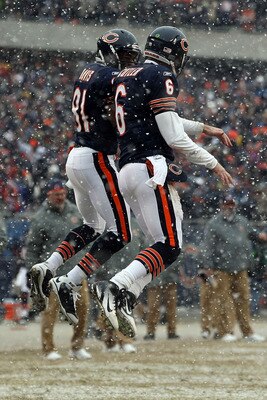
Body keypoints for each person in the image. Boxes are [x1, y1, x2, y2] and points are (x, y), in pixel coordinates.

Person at [88, 25, 234, 336]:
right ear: (172, 51)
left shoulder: (129, 73)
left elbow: (156, 118)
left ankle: (126, 295)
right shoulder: (161, 76)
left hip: (127, 168)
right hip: (149, 168)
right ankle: (116, 287)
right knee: (170, 245)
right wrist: (213, 162)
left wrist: (203, 127)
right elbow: (173, 136)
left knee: (162, 246)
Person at [29, 29, 141, 321]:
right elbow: (132, 86)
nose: (128, 62)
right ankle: (68, 282)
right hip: (96, 158)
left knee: (93, 226)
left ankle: (49, 266)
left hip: (77, 156)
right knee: (121, 232)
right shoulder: (108, 77)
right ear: (111, 53)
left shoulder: (89, 72)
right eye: (126, 56)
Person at [26, 179, 91, 360]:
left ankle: (77, 346)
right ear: (48, 195)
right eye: (57, 195)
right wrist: (32, 272)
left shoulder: (75, 212)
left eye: (62, 193)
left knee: (82, 309)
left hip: (76, 270)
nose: (61, 197)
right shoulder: (41, 218)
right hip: (52, 273)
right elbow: (32, 247)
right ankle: (48, 348)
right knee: (50, 312)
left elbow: (85, 238)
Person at [201, 195, 265, 342]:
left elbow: (254, 235)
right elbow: (208, 247)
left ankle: (247, 331)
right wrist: (208, 265)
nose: (229, 207)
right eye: (226, 204)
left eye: (231, 204)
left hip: (241, 267)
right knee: (223, 299)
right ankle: (224, 331)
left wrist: (262, 237)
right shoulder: (214, 224)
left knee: (243, 299)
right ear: (221, 206)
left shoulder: (242, 221)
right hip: (221, 268)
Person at [144, 262, 180, 340]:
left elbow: (178, 255)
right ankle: (151, 331)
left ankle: (172, 331)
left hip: (169, 277)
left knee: (171, 306)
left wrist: (170, 267)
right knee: (153, 306)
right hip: (155, 278)